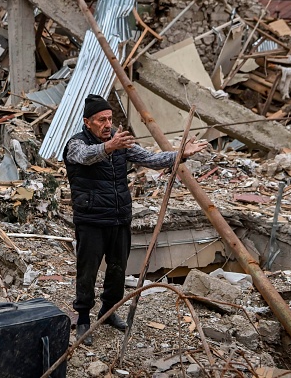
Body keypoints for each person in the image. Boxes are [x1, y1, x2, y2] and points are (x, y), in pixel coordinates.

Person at [63, 94, 208, 346]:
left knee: (118, 270)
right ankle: (84, 317)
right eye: (101, 120)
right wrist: (110, 146)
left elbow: (150, 159)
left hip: (119, 218)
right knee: (87, 272)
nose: (108, 124)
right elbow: (85, 157)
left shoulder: (120, 141)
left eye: (110, 118)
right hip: (92, 220)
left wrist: (180, 154)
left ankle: (108, 312)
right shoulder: (77, 143)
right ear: (87, 122)